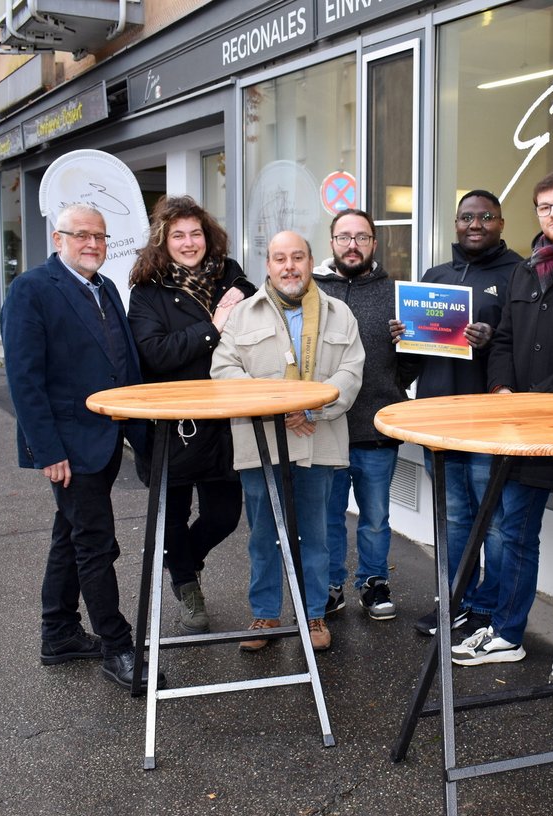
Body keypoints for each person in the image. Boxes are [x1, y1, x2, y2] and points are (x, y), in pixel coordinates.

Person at [450, 172, 553, 688]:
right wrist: (502, 391)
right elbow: (502, 340)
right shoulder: (526, 269)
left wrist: (537, 397)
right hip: (519, 427)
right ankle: (507, 631)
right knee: (514, 534)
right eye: (544, 207)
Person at [3, 203, 160, 691]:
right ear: (58, 238)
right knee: (95, 543)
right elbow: (24, 381)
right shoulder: (31, 290)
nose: (92, 243)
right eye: (81, 235)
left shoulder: (106, 287)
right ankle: (117, 647)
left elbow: (125, 368)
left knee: (68, 535)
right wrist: (47, 451)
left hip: (107, 439)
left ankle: (58, 633)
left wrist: (142, 435)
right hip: (68, 447)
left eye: (100, 236)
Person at [211, 231, 364, 652]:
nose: (289, 265)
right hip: (260, 442)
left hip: (318, 437)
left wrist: (311, 407)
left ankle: (313, 615)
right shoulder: (243, 315)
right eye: (280, 258)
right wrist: (276, 405)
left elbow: (351, 373)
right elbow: (223, 371)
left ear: (310, 261)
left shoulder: (339, 313)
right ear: (268, 266)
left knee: (315, 534)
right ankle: (265, 615)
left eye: (297, 257)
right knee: (263, 534)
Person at [390, 190, 523, 638]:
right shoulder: (435, 276)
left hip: (489, 420)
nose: (476, 224)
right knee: (454, 518)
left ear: (501, 223)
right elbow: (415, 356)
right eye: (467, 216)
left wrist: (495, 336)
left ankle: (490, 606)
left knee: (497, 522)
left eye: (486, 217)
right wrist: (403, 335)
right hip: (439, 418)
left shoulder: (517, 273)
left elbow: (525, 343)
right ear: (455, 222)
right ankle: (456, 601)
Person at [127, 195, 254, 635]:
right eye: (177, 234)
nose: (188, 242)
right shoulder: (147, 292)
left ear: (208, 235)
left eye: (195, 233)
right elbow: (157, 355)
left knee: (224, 515)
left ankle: (186, 561)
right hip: (173, 426)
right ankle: (186, 585)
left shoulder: (232, 277)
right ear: (162, 241)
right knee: (172, 517)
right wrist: (213, 328)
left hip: (225, 421)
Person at [315, 210, 418, 621]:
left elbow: (410, 368)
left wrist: (407, 346)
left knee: (375, 517)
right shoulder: (313, 290)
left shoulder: (396, 292)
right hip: (325, 425)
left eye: (361, 237)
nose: (352, 245)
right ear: (332, 242)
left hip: (376, 423)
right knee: (329, 517)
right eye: (344, 237)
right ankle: (330, 584)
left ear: (374, 243)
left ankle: (374, 582)